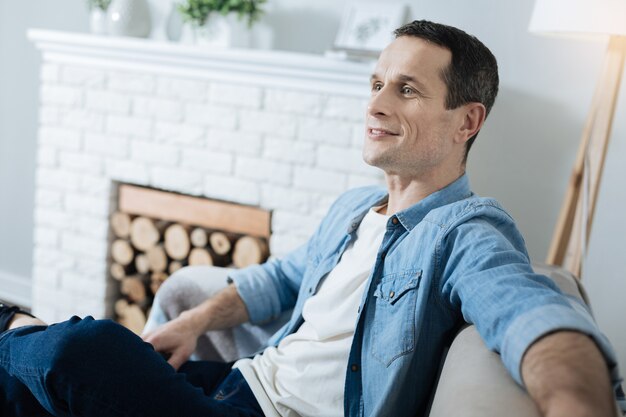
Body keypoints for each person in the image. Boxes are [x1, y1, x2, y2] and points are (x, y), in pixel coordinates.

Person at [0, 20, 622, 417]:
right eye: (376, 82)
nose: (374, 103)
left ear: (467, 121)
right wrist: (190, 324)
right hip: (240, 383)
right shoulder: (355, 208)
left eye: (406, 89)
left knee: (86, 348)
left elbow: (537, 318)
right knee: (24, 394)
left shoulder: (465, 233)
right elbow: (277, 281)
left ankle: (13, 322)